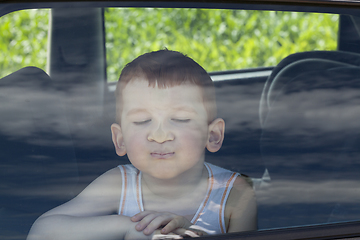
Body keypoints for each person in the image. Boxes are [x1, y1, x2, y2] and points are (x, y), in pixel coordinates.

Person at [27, 50, 257, 240]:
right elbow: (41, 233)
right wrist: (128, 227)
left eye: (180, 119)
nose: (159, 135)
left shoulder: (235, 194)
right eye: (141, 121)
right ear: (120, 139)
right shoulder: (119, 184)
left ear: (213, 135)